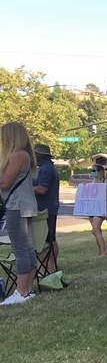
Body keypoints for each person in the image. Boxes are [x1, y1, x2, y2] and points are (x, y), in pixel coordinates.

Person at [0, 122, 39, 304]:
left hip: (17, 206)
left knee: (20, 249)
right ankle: (28, 289)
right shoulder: (25, 155)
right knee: (28, 248)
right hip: (26, 205)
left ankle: (21, 292)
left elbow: (5, 183)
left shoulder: (17, 155)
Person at [32, 143, 60, 272]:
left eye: (35, 155)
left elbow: (42, 189)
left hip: (45, 210)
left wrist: (25, 189)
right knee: (48, 240)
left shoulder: (45, 169)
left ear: (40, 156)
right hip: (49, 208)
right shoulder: (48, 167)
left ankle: (48, 269)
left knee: (47, 241)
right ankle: (49, 268)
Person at [88, 163, 107, 257]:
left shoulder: (105, 182)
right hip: (92, 209)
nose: (92, 172)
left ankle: (103, 252)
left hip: (100, 209)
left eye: (94, 171)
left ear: (100, 172)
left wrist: (105, 209)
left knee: (94, 230)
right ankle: (100, 251)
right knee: (97, 231)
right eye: (91, 171)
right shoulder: (92, 182)